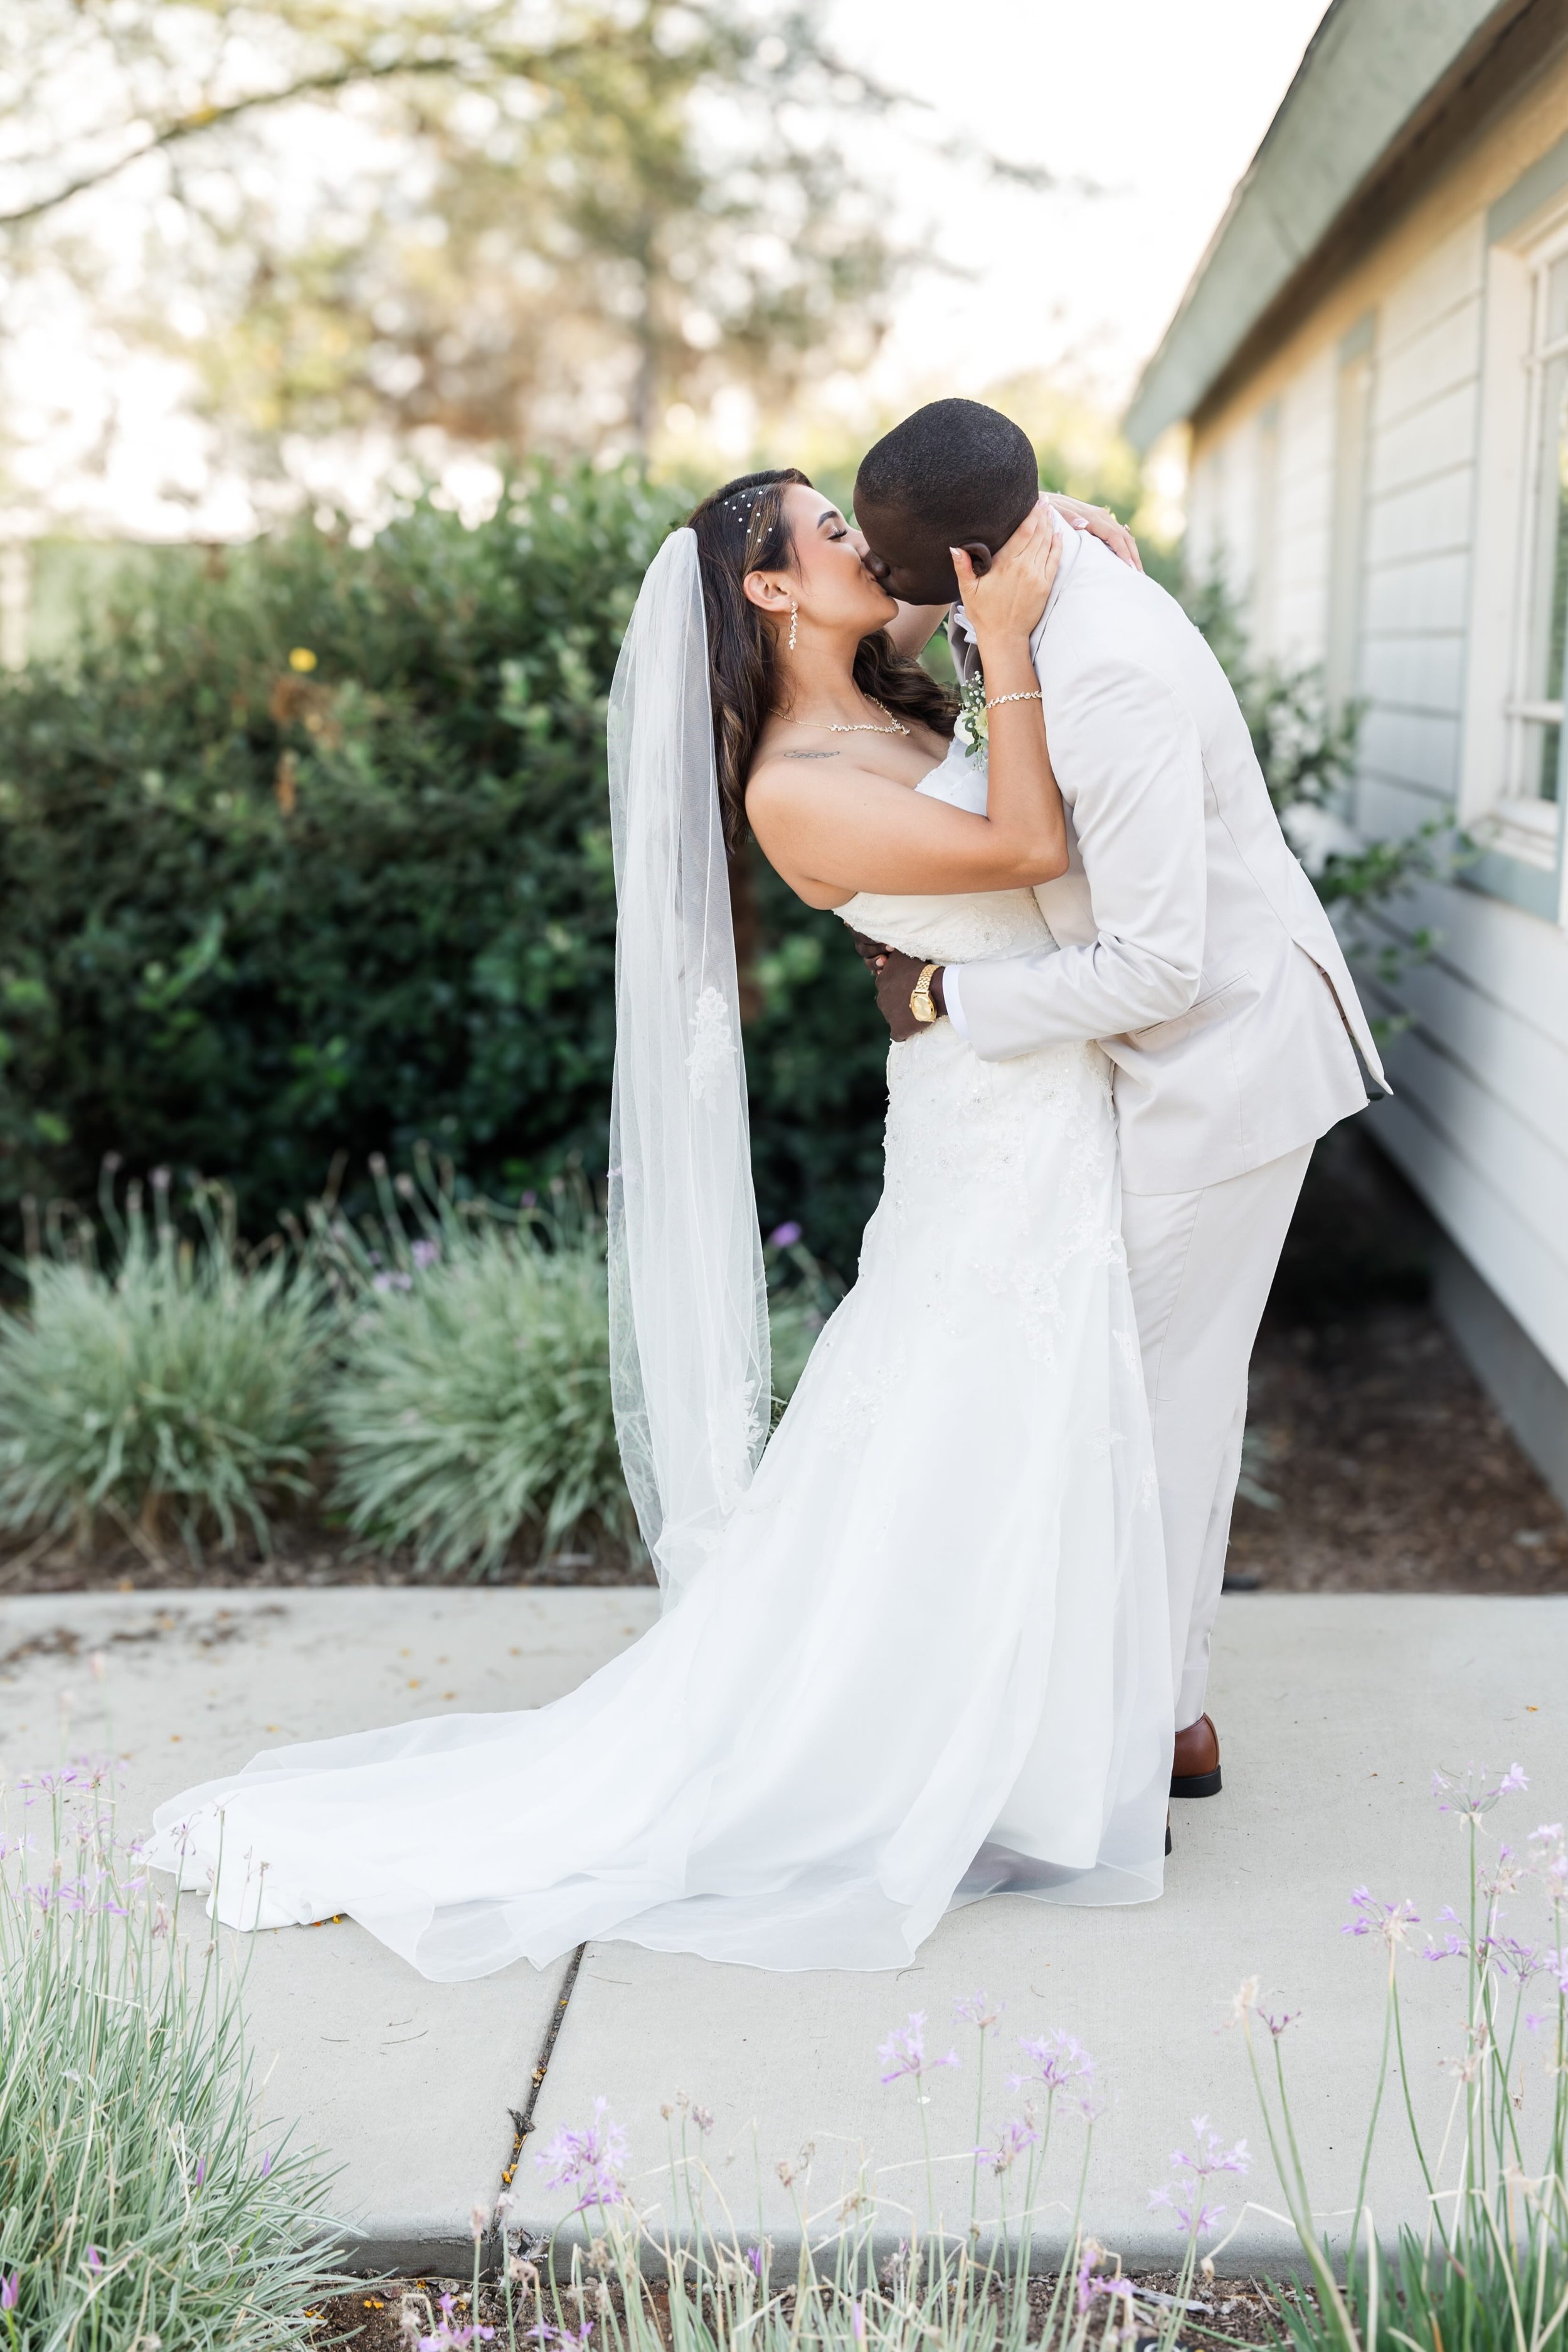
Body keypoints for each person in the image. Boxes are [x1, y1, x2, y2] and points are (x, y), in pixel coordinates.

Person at [144, 469, 1173, 1983]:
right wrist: (1007, 643)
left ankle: (1033, 1756)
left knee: (1018, 1419)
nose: (857, 543)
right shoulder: (793, 786)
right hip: (988, 1134)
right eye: (828, 531)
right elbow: (1025, 847)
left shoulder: (899, 700)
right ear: (765, 591)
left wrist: (1066, 548)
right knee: (961, 1413)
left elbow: (1033, 690)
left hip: (1039, 1102)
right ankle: (908, 1756)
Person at [849, 400, 1388, 1798]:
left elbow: (1156, 963)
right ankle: (1168, 1718)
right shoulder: (1030, 588)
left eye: (900, 571)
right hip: (1157, 1060)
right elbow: (879, 644)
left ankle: (1129, 1752)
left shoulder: (1107, 672)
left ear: (971, 560)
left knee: (1153, 1416)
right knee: (1135, 1402)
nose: (883, 591)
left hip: (1221, 1068)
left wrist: (949, 1003)